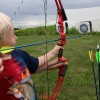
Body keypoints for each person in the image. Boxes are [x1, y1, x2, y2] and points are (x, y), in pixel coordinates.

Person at [0, 12, 67, 100]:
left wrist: (53, 55)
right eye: (12, 35)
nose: (16, 37)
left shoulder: (18, 53)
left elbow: (34, 65)